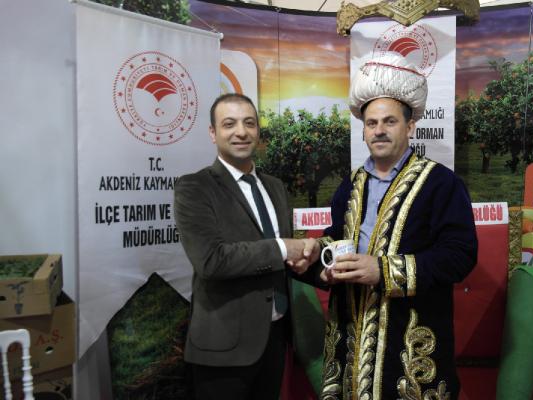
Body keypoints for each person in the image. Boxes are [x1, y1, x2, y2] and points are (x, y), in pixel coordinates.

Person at [316, 52, 478, 400]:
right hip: (350, 333)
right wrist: (320, 257)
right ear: (363, 131)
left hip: (409, 337)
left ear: (410, 127)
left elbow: (460, 255)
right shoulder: (350, 185)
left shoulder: (441, 183)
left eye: (389, 121)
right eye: (371, 123)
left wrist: (385, 271)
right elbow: (337, 239)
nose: (379, 130)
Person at [174, 93, 318, 400]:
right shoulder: (194, 187)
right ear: (213, 133)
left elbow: (284, 260)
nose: (241, 131)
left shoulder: (275, 187)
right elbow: (211, 261)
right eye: (229, 124)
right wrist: (283, 248)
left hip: (275, 339)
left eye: (249, 123)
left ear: (258, 130)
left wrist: (306, 258)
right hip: (224, 349)